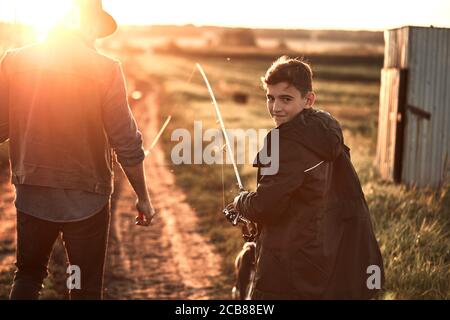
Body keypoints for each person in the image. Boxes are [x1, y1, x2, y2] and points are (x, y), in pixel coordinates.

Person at [0, 0, 156, 299]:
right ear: (85, 23)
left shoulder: (14, 61)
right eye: (96, 28)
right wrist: (143, 197)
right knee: (83, 286)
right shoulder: (106, 70)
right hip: (88, 199)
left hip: (31, 193)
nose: (97, 37)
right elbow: (126, 142)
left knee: (28, 275)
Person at [225, 56, 384, 299]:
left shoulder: (284, 141)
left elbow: (265, 206)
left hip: (289, 263)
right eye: (270, 97)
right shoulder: (325, 129)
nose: (276, 107)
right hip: (324, 254)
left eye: (286, 99)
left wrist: (240, 201)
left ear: (308, 99)